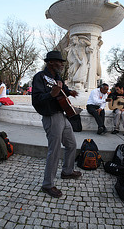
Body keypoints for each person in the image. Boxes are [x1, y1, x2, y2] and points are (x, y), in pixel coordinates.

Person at [32, 50, 82, 198]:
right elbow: (36, 99)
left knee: (71, 144)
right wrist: (51, 95)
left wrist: (70, 91)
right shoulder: (40, 77)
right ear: (50, 62)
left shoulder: (58, 77)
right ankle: (48, 184)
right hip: (51, 117)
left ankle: (67, 171)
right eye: (59, 62)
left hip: (62, 115)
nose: (61, 64)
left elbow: (63, 89)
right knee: (54, 150)